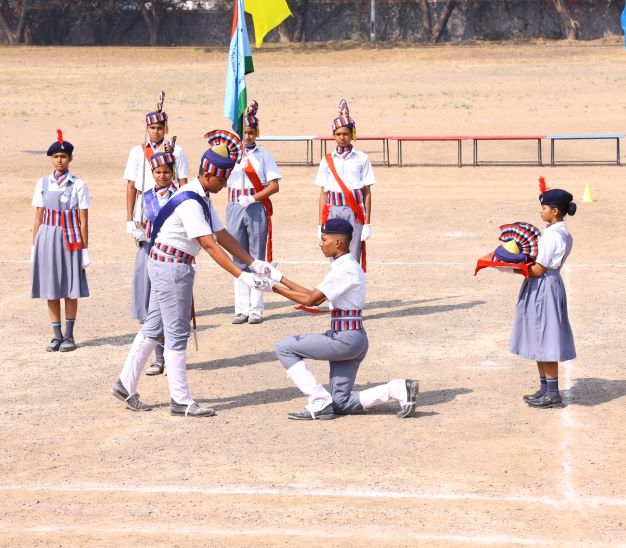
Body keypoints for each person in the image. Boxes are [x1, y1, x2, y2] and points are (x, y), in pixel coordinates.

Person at [111, 130, 275, 418]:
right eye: (222, 179)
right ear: (209, 174)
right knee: (176, 334)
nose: (225, 184)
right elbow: (210, 245)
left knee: (153, 327)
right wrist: (243, 275)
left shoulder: (201, 196)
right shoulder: (190, 200)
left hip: (165, 264)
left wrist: (254, 262)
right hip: (173, 268)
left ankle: (125, 384)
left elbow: (222, 234)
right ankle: (181, 400)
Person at [267, 218, 418, 421]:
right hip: (353, 337)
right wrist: (278, 278)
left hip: (344, 339)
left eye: (324, 239)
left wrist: (272, 288)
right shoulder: (346, 266)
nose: (321, 244)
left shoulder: (345, 269)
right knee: (340, 403)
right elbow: (314, 294)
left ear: (337, 242)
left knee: (284, 348)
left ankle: (318, 401)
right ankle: (398, 389)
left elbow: (312, 300)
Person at [511, 186, 577, 409]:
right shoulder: (560, 232)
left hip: (543, 285)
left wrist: (511, 266)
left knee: (545, 337)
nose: (541, 211)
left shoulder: (552, 236)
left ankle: (552, 392)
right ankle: (545, 388)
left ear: (555, 211)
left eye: (544, 207)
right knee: (540, 335)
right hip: (548, 283)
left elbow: (538, 269)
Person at [30, 130, 91, 352]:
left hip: (71, 239)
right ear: (51, 159)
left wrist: (85, 249)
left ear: (70, 159)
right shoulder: (43, 183)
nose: (59, 161)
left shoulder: (78, 185)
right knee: (51, 287)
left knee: (69, 288)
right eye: (56, 157)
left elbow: (83, 220)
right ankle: (55, 335)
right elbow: (38, 217)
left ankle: (69, 335)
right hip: (47, 238)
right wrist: (34, 245)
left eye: (63, 157)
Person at [225, 101, 282, 324]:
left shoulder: (263, 155)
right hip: (234, 206)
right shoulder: (230, 154)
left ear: (256, 133)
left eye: (251, 132)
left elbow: (274, 185)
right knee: (238, 257)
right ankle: (241, 308)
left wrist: (254, 197)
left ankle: (256, 308)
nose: (247, 137)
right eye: (244, 132)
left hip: (255, 205)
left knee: (257, 258)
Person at [130, 151, 179, 376]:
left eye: (166, 172)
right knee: (151, 307)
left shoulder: (179, 195)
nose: (162, 176)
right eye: (158, 172)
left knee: (169, 305)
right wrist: (136, 232)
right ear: (152, 173)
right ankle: (158, 358)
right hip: (148, 251)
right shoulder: (145, 197)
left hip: (171, 254)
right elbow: (139, 221)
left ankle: (171, 357)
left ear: (172, 173)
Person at [315, 99, 374, 270]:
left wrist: (367, 223)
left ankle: (353, 295)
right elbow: (323, 193)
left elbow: (367, 192)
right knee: (335, 254)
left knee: (353, 255)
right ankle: (337, 295)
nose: (342, 137)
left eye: (346, 134)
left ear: (352, 134)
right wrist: (320, 223)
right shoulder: (327, 160)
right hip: (334, 209)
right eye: (338, 134)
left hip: (354, 211)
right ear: (334, 135)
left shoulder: (362, 158)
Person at [123, 98, 189, 244]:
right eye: (152, 128)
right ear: (147, 128)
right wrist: (129, 218)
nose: (156, 131)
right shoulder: (136, 152)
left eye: (159, 128)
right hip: (143, 205)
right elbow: (131, 185)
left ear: (165, 128)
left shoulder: (177, 151)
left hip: (168, 202)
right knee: (144, 246)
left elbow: (183, 183)